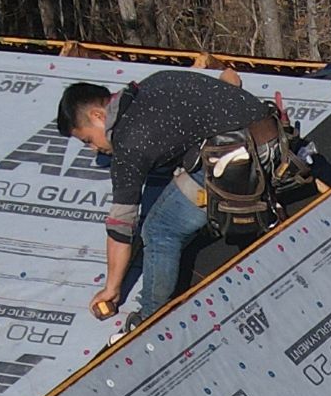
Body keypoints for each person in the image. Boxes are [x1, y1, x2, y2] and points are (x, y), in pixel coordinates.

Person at [56, 69, 276, 323]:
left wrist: (111, 288)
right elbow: (221, 87)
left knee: (159, 230)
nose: (95, 149)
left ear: (98, 115)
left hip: (240, 162)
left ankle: (151, 317)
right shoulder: (156, 81)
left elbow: (120, 227)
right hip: (273, 137)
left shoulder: (128, 144)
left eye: (88, 140)